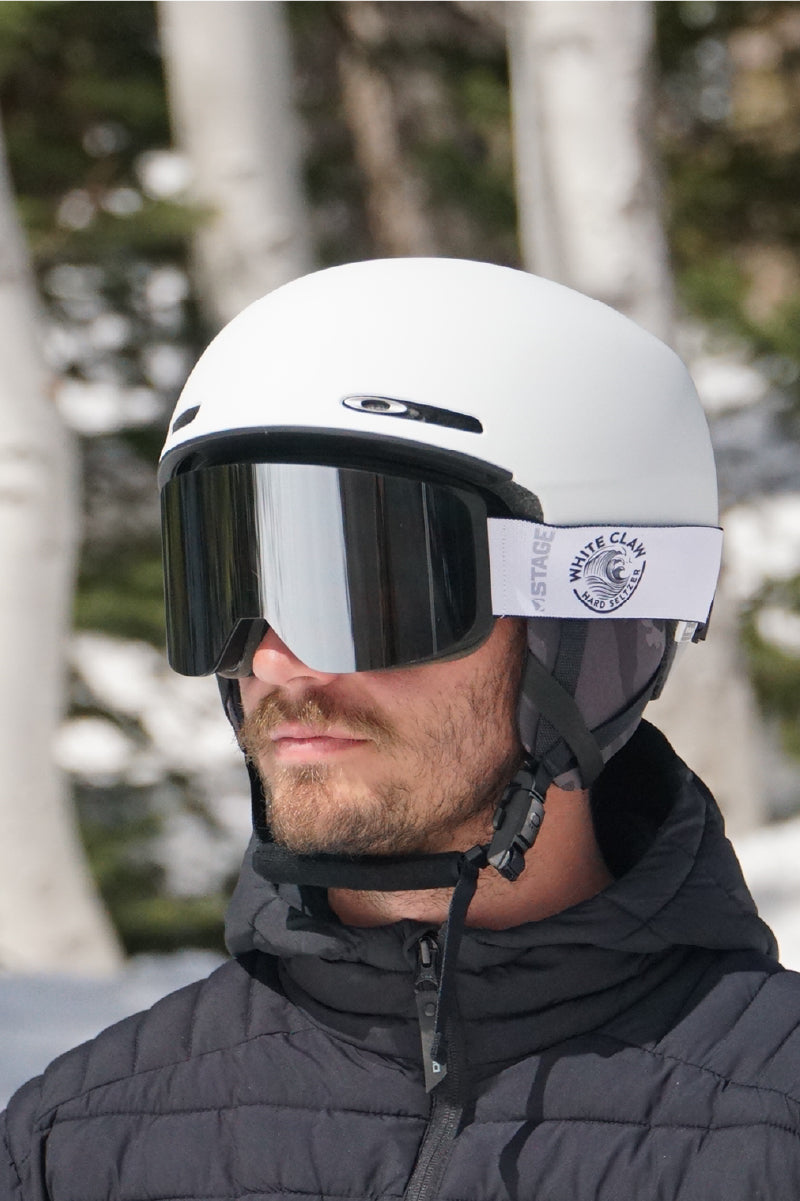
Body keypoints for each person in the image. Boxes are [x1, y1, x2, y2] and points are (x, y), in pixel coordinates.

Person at [3, 258, 799, 1200]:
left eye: (371, 591)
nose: (273, 660)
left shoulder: (769, 1130)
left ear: (592, 627)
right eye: (232, 592)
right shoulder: (82, 1141)